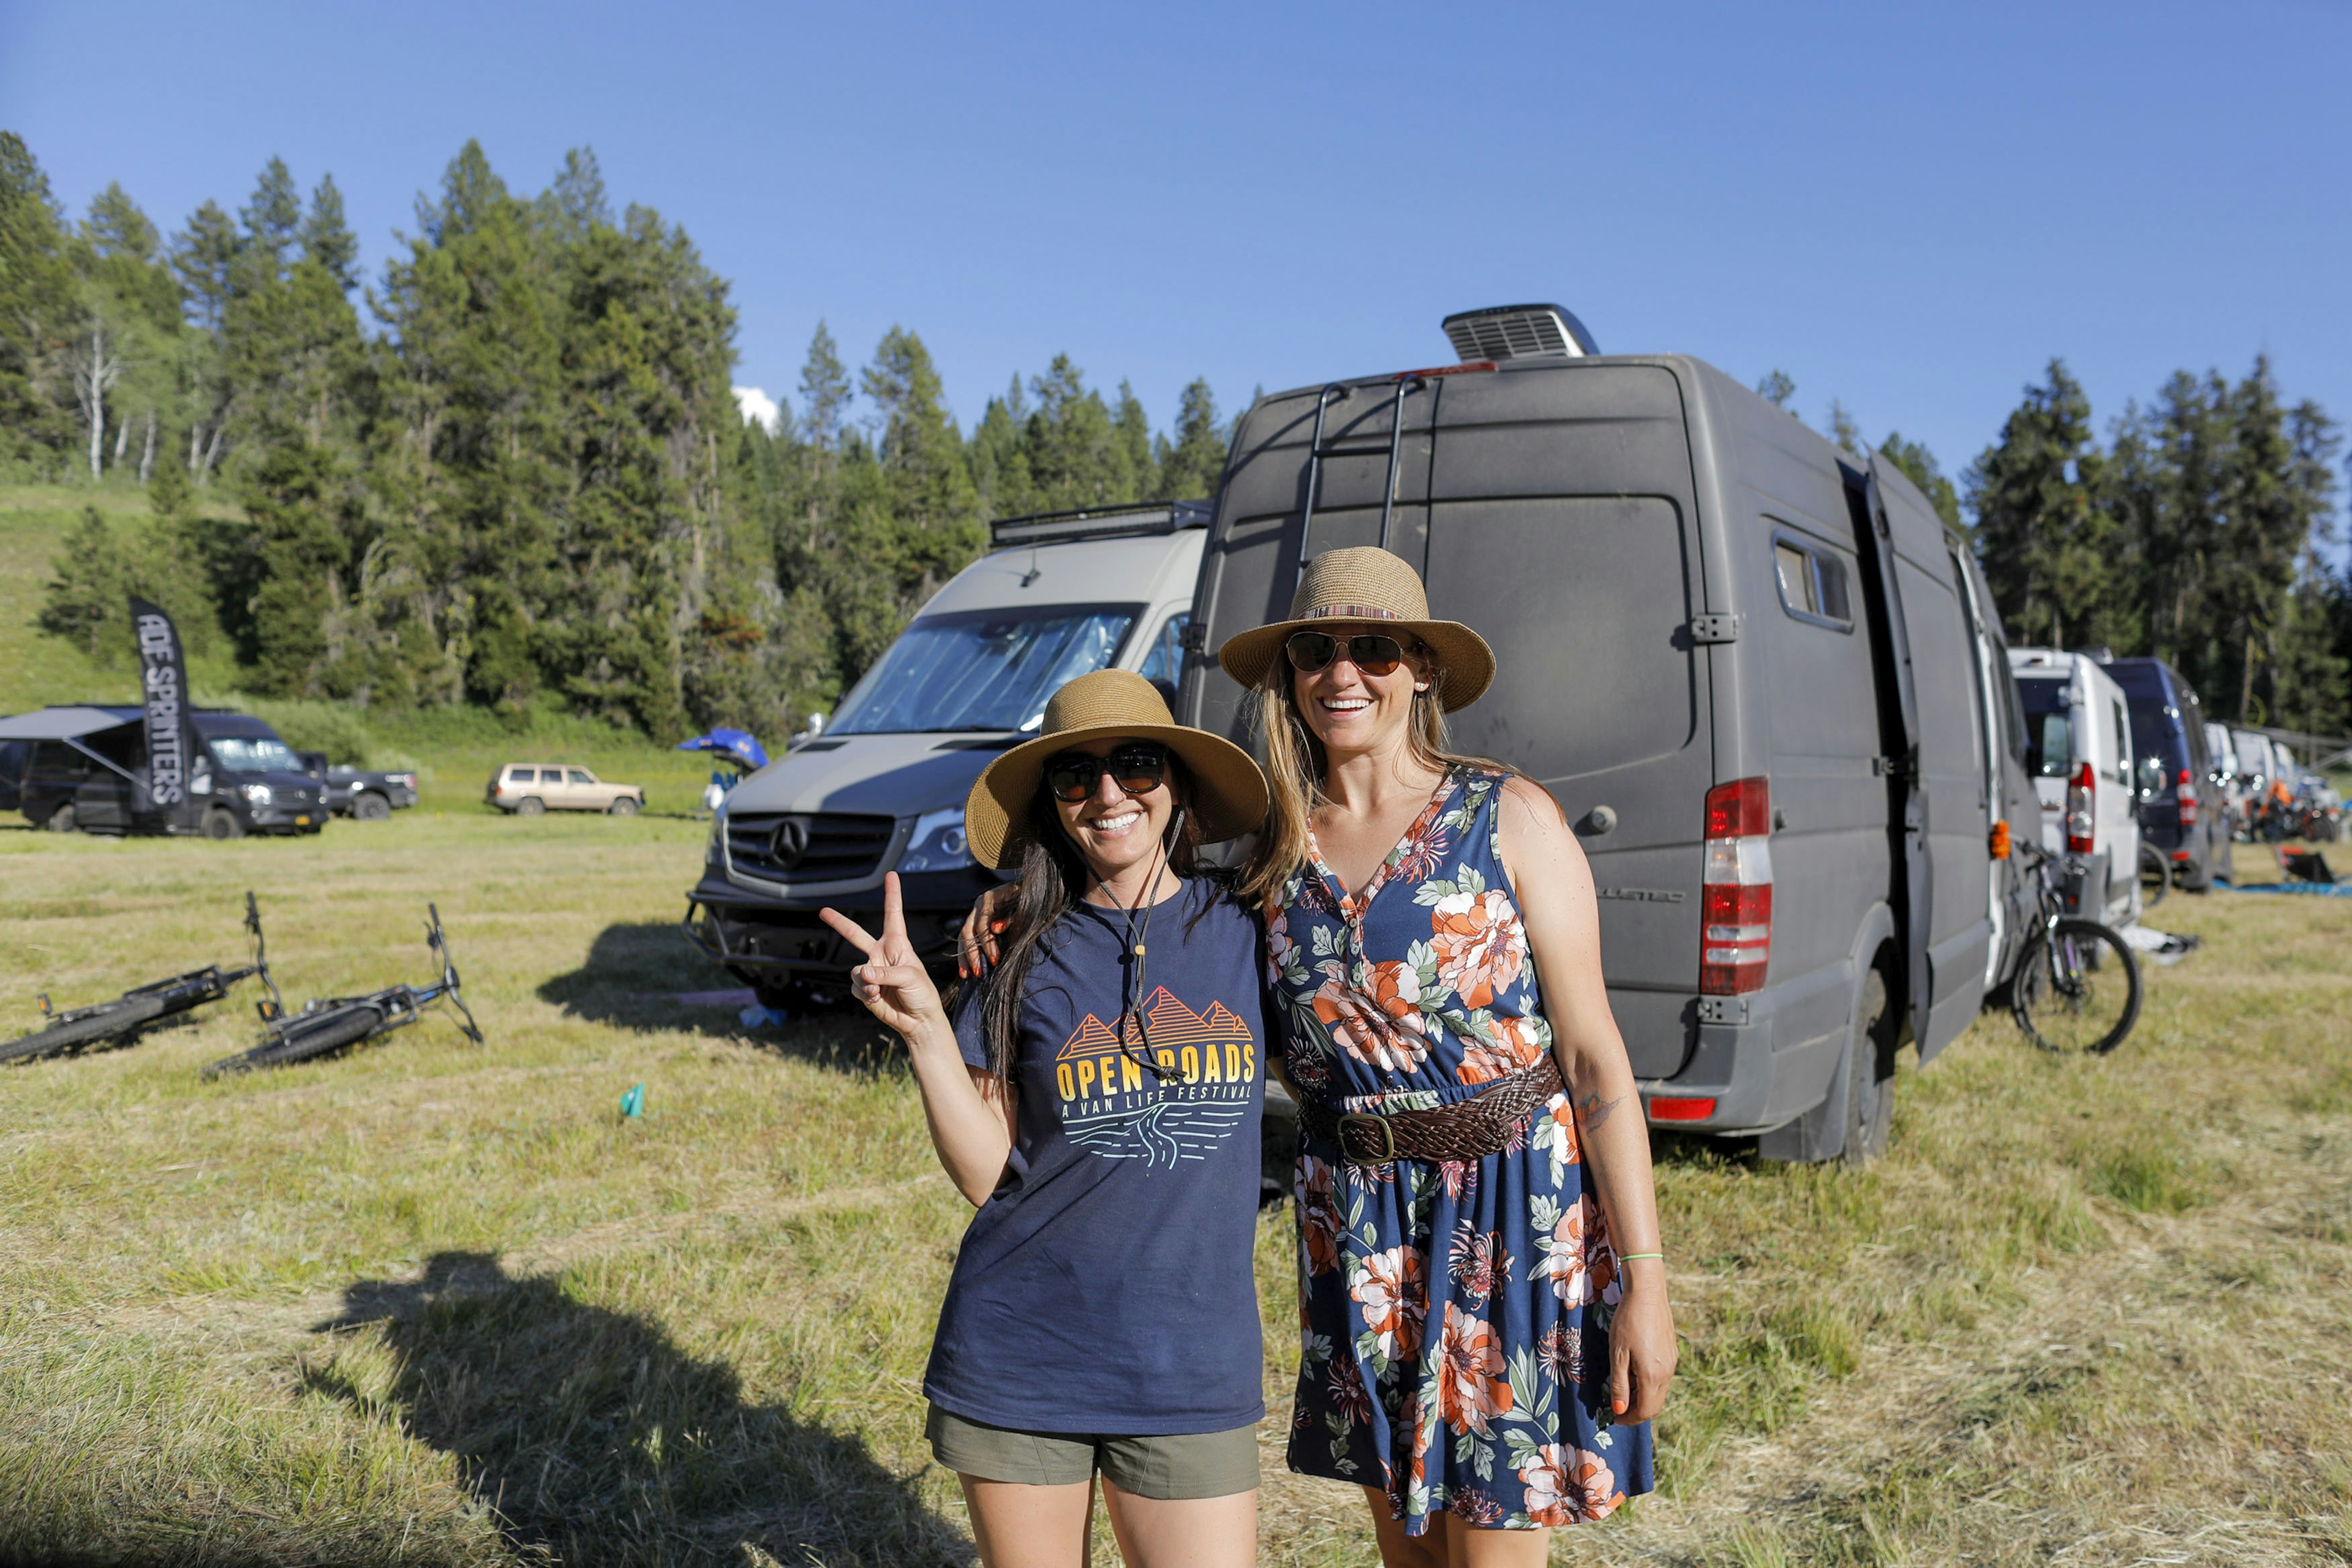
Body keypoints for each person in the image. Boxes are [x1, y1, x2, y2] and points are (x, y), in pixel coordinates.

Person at [1214, 547, 1676, 1563]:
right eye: (1315, 650)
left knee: (1492, 1544)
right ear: (1290, 672)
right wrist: (1019, 900)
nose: (1342, 673)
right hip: (1358, 1225)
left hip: (1512, 1213)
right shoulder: (1269, 851)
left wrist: (1644, 1279)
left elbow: (1594, 1060)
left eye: (1373, 649)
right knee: (1409, 1552)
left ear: (1421, 668)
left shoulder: (1507, 816)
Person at [821, 668, 1275, 1568]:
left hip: (1191, 1361)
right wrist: (927, 1032)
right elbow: (988, 1173)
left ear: (1177, 783)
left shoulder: (1251, 924)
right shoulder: (1017, 949)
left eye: (1136, 764)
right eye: (1075, 774)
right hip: (1023, 1349)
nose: (1108, 794)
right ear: (1052, 805)